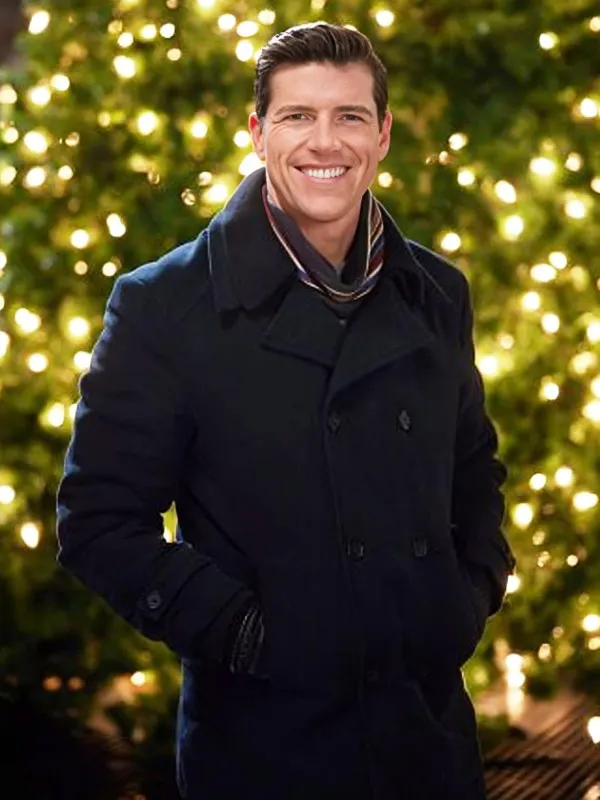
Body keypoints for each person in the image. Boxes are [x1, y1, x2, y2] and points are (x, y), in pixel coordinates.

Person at [57, 22, 516, 800]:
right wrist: (246, 634)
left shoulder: (438, 292)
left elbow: (474, 470)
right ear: (258, 132)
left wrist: (465, 599)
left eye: (349, 116)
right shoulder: (164, 305)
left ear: (383, 135)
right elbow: (97, 523)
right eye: (298, 115)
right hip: (264, 745)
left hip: (428, 737)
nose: (324, 141)